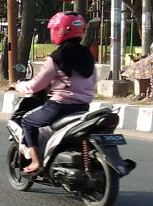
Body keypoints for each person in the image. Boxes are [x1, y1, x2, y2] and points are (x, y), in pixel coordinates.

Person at [14, 12, 97, 175]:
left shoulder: (57, 57)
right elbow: (93, 83)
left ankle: (36, 161)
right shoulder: (88, 56)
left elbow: (36, 85)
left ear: (60, 30)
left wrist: (18, 86)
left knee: (27, 121)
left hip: (59, 107)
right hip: (83, 108)